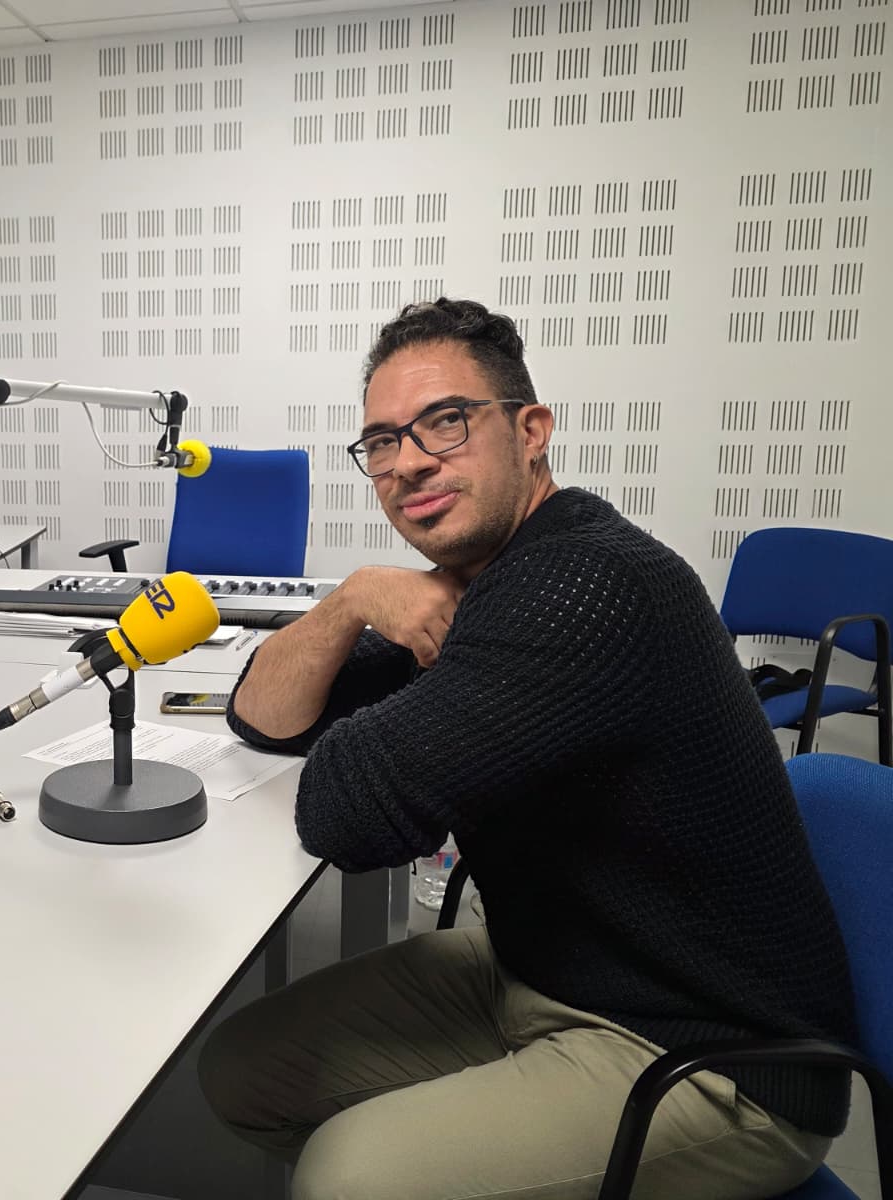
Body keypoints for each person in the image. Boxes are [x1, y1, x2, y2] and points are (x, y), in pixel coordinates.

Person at [198, 298, 855, 1199]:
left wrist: (380, 706)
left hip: (708, 1054)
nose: (409, 461)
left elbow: (347, 818)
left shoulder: (585, 587)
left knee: (348, 1178)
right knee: (243, 1070)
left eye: (446, 421)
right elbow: (264, 716)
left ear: (531, 430)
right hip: (548, 965)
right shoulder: (492, 578)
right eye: (383, 441)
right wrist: (351, 601)